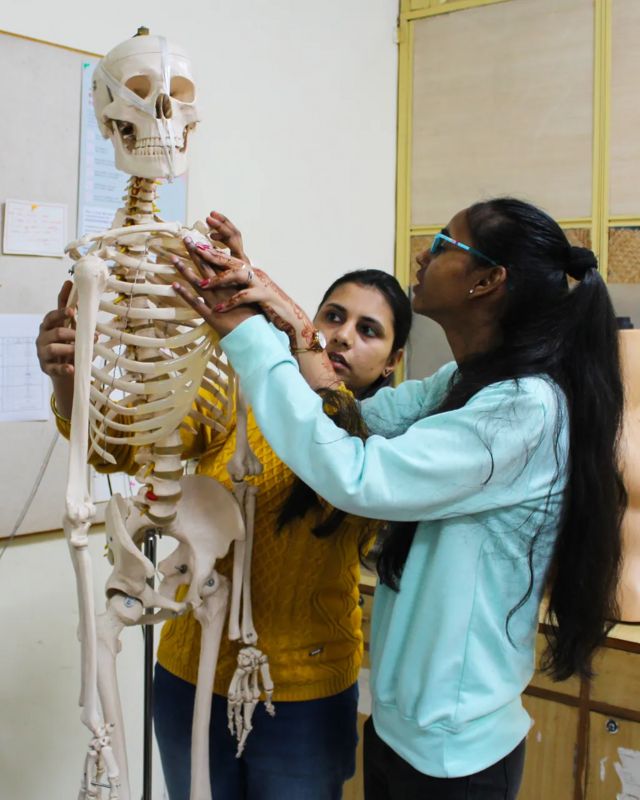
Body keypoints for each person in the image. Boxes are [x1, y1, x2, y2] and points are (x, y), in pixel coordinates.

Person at [172, 197, 626, 800]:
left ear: (488, 281)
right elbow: (355, 417)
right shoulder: (462, 381)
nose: (423, 253)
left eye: (444, 245)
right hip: (401, 729)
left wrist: (249, 335)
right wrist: (277, 310)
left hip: (451, 753)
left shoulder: (524, 408)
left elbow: (358, 472)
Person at [35, 211, 412, 800]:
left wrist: (277, 323)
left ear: (392, 363)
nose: (342, 335)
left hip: (306, 692)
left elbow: (341, 443)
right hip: (190, 675)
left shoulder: (379, 443)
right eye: (333, 316)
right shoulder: (245, 398)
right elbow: (124, 452)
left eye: (369, 331)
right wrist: (68, 379)